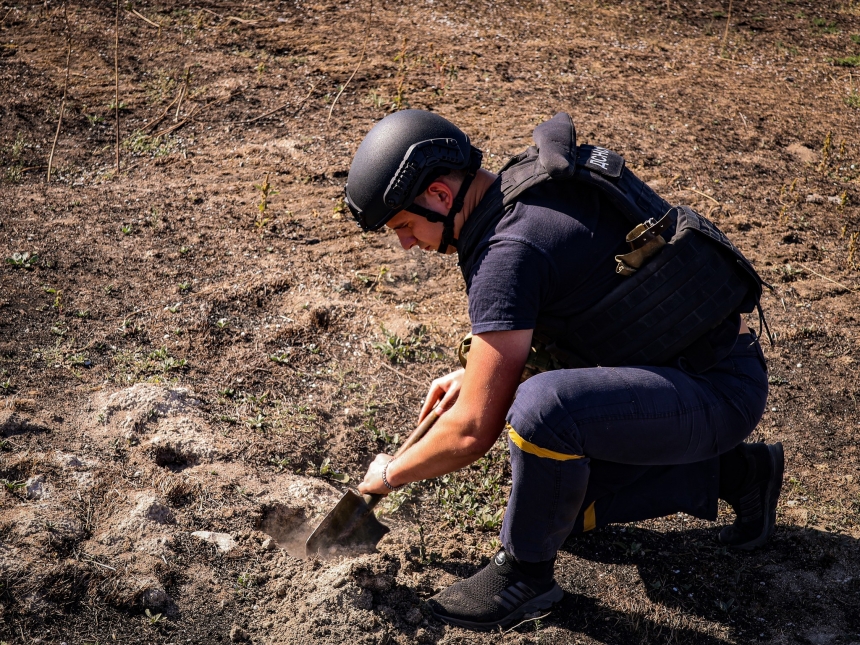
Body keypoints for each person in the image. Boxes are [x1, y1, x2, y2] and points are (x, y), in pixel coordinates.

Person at [346, 109, 782, 631]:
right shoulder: (522, 187)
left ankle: (524, 575)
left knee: (541, 413)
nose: (406, 244)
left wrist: (388, 476)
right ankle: (740, 474)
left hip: (714, 390)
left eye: (404, 225)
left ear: (439, 195)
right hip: (694, 371)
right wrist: (477, 375)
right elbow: (583, 297)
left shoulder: (507, 252)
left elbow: (470, 432)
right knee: (560, 509)